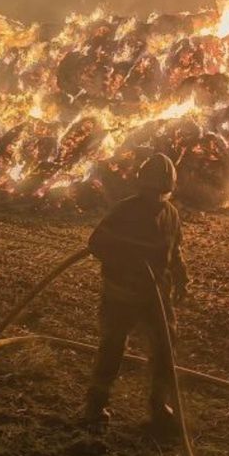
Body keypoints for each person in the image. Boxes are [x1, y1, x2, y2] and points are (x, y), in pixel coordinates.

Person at [83, 152, 188, 436]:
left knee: (165, 351)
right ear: (142, 187)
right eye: (150, 191)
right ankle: (96, 405)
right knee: (112, 348)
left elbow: (174, 249)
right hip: (121, 294)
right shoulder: (124, 211)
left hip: (156, 297)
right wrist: (132, 253)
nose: (154, 197)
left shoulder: (171, 214)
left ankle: (158, 406)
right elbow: (97, 243)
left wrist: (180, 274)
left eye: (159, 192)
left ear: (167, 190)